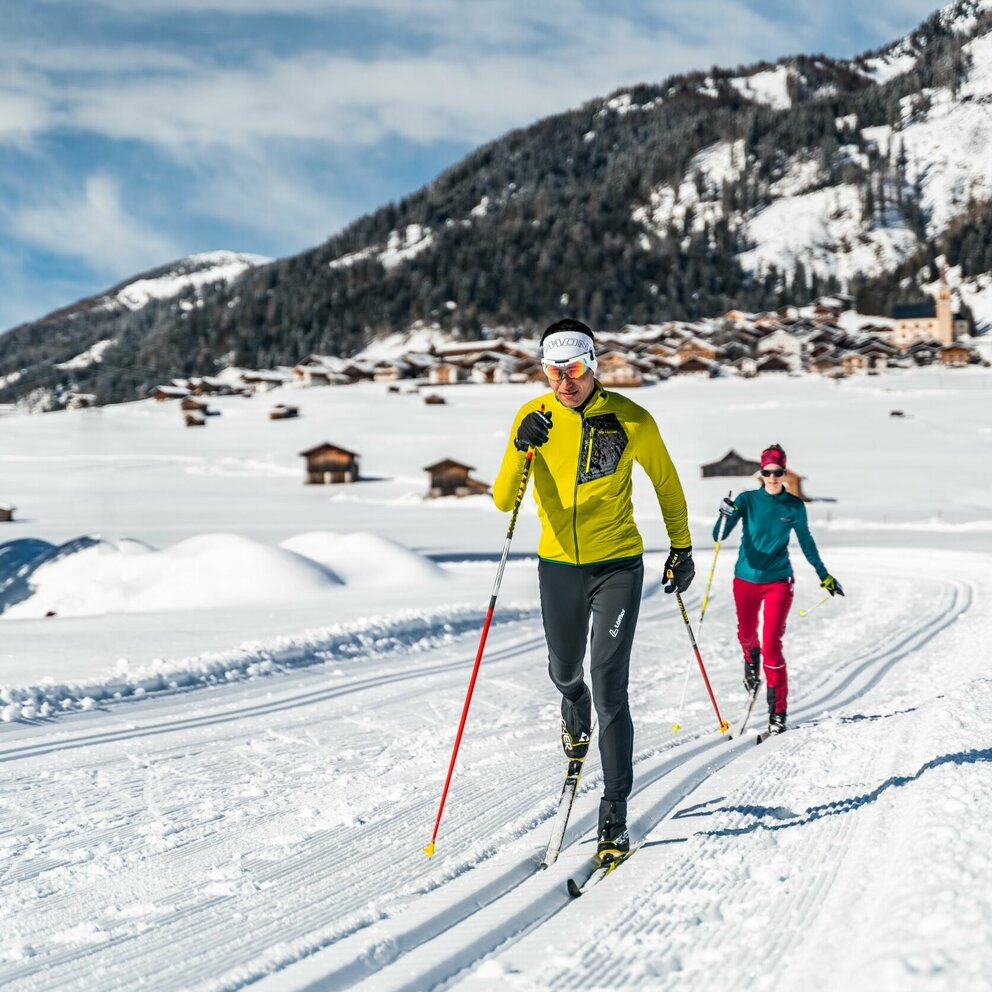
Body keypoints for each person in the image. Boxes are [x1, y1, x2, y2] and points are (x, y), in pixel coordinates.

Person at [493, 318, 694, 864]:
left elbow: (667, 483)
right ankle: (572, 704)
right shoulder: (533, 417)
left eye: (575, 369)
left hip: (617, 568)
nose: (565, 382)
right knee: (565, 673)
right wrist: (519, 446)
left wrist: (681, 548)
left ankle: (614, 815)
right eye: (553, 371)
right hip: (558, 567)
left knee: (610, 688)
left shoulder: (631, 419)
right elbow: (503, 499)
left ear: (593, 365)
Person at [714, 443, 843, 735]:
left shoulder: (793, 506)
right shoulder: (747, 500)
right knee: (747, 635)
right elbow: (718, 536)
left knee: (772, 645)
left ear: (784, 472)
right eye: (768, 472)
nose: (773, 477)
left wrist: (824, 575)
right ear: (761, 473)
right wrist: (725, 514)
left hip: (778, 582)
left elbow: (807, 543)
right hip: (745, 579)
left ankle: (778, 712)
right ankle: (750, 666)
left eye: (778, 472)